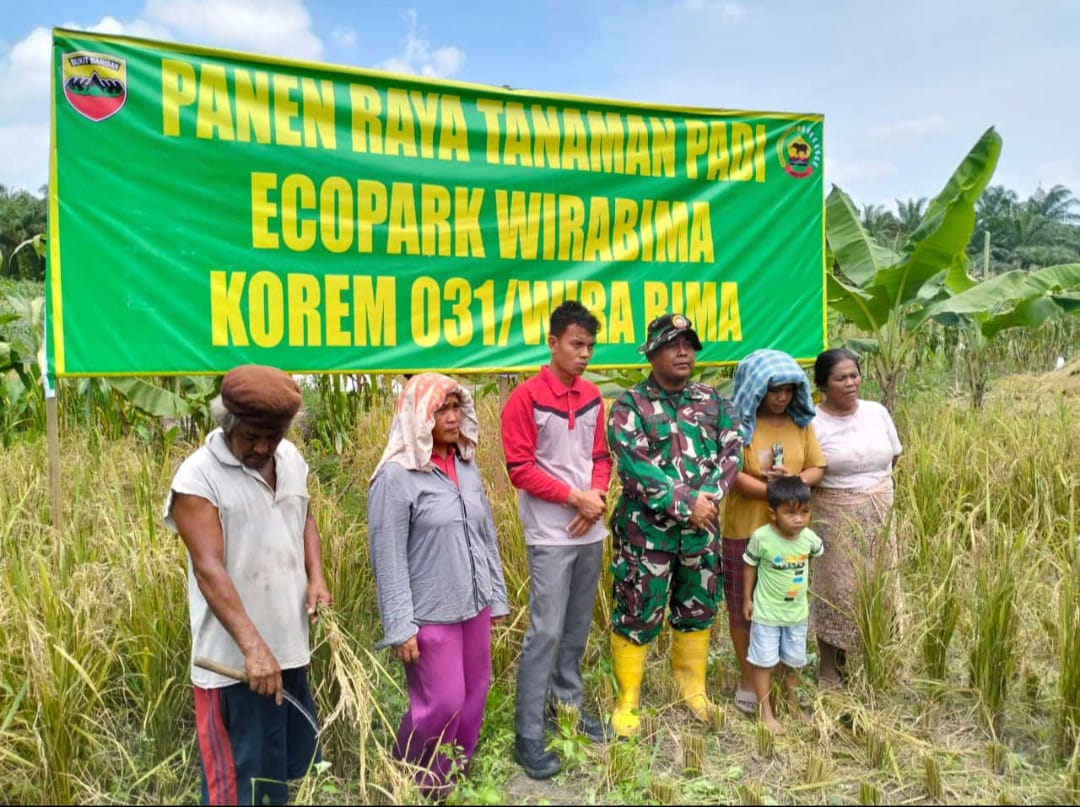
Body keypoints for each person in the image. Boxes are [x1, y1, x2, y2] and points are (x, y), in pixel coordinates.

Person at [164, 364, 332, 806]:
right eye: (251, 436)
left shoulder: (291, 460)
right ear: (227, 422)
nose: (261, 447)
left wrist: (316, 576)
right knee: (238, 791)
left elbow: (303, 517)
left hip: (289, 655)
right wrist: (253, 648)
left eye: (272, 436)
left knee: (280, 779)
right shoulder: (197, 479)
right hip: (236, 669)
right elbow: (208, 570)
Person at [368, 373, 510, 798]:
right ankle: (409, 777)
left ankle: (448, 780)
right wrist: (400, 626)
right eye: (440, 409)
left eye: (455, 407)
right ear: (418, 416)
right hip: (429, 614)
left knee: (475, 694)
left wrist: (496, 595)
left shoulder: (466, 464)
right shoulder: (396, 477)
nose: (451, 417)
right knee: (442, 702)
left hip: (474, 603)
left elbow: (486, 535)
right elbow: (387, 556)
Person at [606, 313, 742, 737]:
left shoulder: (714, 402)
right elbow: (634, 466)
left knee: (698, 608)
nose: (683, 352)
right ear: (652, 353)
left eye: (688, 344)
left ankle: (693, 690)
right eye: (672, 344)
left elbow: (732, 449)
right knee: (637, 611)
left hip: (700, 534)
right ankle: (628, 698)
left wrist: (709, 500)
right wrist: (686, 503)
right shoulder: (630, 406)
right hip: (646, 535)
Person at [500, 300, 613, 779]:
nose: (584, 353)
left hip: (590, 529)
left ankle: (565, 709)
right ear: (552, 343)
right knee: (545, 631)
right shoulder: (524, 398)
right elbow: (519, 469)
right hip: (549, 534)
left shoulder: (592, 396)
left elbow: (602, 456)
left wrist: (598, 497)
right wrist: (575, 499)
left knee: (576, 628)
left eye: (590, 345)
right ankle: (528, 733)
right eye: (576, 344)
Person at [722, 349, 824, 716]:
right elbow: (731, 476)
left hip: (790, 536)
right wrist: (775, 492)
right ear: (755, 390)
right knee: (744, 608)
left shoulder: (801, 423)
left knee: (783, 606)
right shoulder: (738, 424)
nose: (781, 398)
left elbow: (816, 468)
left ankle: (782, 681)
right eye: (773, 390)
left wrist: (794, 483)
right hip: (745, 528)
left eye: (788, 390)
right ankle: (749, 677)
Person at [809, 349, 903, 687]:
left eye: (854, 375)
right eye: (841, 378)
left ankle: (877, 658)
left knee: (879, 585)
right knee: (836, 588)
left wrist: (871, 493)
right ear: (822, 385)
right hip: (834, 513)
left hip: (880, 510)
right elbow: (809, 470)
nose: (850, 383)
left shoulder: (877, 412)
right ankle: (830, 668)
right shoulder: (813, 422)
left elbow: (893, 457)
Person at [742, 476, 824, 734]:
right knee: (764, 662)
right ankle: (766, 713)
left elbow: (816, 560)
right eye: (790, 513)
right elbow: (750, 566)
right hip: (766, 614)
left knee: (794, 662)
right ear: (773, 513)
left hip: (796, 614)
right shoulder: (761, 538)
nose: (798, 519)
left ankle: (792, 705)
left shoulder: (809, 539)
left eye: (804, 512)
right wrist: (747, 598)